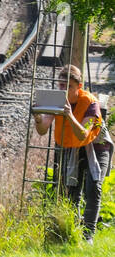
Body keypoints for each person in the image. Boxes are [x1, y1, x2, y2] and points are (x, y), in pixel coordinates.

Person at [34, 63, 112, 242]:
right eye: (61, 85)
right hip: (73, 146)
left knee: (93, 186)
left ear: (79, 87)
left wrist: (68, 115)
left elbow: (84, 134)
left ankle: (88, 235)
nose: (63, 90)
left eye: (68, 86)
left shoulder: (90, 102)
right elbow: (42, 130)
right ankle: (71, 231)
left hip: (96, 145)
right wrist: (38, 118)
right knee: (71, 187)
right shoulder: (57, 99)